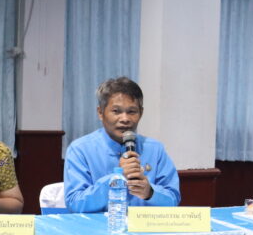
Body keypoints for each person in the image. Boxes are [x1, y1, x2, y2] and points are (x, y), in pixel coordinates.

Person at [64, 77, 180, 212]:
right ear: (100, 112)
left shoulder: (155, 149)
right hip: (101, 225)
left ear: (141, 113)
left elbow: (173, 199)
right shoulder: (80, 150)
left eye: (132, 112)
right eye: (116, 111)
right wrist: (115, 179)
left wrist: (150, 193)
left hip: (144, 225)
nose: (125, 119)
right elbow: (75, 203)